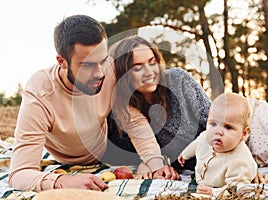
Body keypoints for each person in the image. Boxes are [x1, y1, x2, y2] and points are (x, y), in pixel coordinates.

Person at [8, 15, 115, 191]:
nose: (100, 73)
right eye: (87, 65)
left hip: (111, 141)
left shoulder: (110, 69)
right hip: (70, 158)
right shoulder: (40, 92)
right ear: (62, 62)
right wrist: (62, 182)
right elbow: (19, 174)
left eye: (103, 60)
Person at [107, 35, 211, 179]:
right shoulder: (125, 106)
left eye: (152, 62)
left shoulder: (178, 80)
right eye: (137, 68)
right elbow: (146, 143)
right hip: (193, 167)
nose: (149, 72)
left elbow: (213, 119)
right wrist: (156, 166)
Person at [178, 93, 257, 197]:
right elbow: (196, 144)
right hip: (203, 181)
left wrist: (214, 192)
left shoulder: (240, 161)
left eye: (228, 127)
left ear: (243, 133)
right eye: (213, 124)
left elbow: (238, 189)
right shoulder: (206, 137)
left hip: (221, 187)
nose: (218, 131)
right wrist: (185, 155)